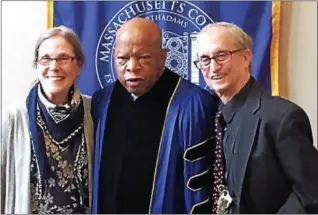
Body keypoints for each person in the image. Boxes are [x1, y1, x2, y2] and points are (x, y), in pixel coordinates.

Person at [91, 17, 217, 214]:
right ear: (114, 55)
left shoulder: (193, 105)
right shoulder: (102, 101)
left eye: (144, 57)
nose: (132, 67)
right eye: (123, 58)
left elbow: (199, 189)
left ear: (163, 57)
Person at [195, 21, 318, 214]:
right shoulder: (209, 116)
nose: (213, 67)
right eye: (204, 59)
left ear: (246, 57)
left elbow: (311, 195)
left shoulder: (282, 117)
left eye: (221, 56)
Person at [1, 26, 94, 214]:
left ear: (79, 65)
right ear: (36, 65)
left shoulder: (94, 112)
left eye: (63, 58)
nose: (53, 66)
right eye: (45, 59)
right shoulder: (12, 119)